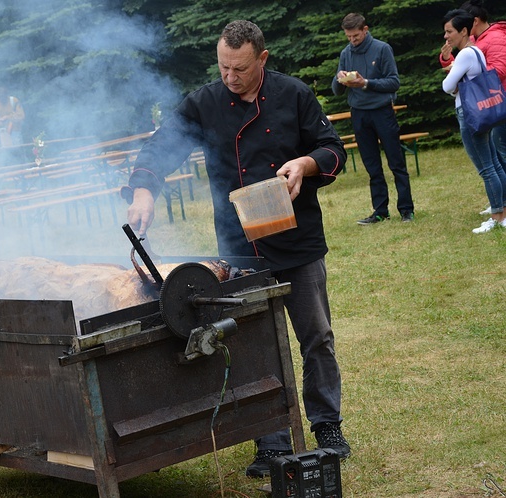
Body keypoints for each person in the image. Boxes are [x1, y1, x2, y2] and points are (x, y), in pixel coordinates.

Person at [122, 20, 350, 478]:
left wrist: (305, 164)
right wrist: (144, 190)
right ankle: (270, 440)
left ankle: (326, 425)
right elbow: (161, 145)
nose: (231, 76)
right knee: (250, 347)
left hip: (298, 239)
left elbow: (332, 148)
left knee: (316, 336)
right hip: (238, 245)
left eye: (241, 68)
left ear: (262, 59)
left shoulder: (294, 95)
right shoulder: (205, 103)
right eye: (224, 67)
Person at [331, 13, 415, 225]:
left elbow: (394, 82)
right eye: (348, 36)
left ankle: (406, 210)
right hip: (358, 114)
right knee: (372, 165)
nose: (352, 40)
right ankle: (380, 211)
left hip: (382, 111)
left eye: (356, 36)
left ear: (365, 29)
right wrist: (339, 79)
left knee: (396, 162)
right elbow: (336, 92)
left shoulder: (382, 48)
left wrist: (366, 83)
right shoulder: (345, 53)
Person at [442, 9, 506, 233]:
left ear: (464, 31)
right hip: (481, 111)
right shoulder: (477, 51)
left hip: (468, 114)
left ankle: (497, 216)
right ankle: (502, 213)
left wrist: (452, 78)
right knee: (495, 164)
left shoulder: (465, 54)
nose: (446, 36)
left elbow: (447, 86)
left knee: (487, 168)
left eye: (449, 31)